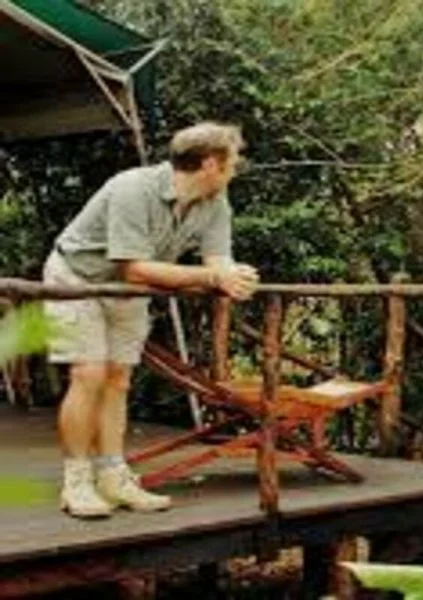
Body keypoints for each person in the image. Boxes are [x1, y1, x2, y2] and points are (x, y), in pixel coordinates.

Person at [43, 121, 260, 518]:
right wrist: (213, 278)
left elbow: (217, 262)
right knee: (88, 374)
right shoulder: (132, 188)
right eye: (233, 161)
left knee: (118, 378)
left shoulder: (216, 201)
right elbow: (134, 268)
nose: (236, 169)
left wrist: (234, 275)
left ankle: (113, 477)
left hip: (129, 289)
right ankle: (77, 482)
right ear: (210, 164)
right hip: (77, 277)